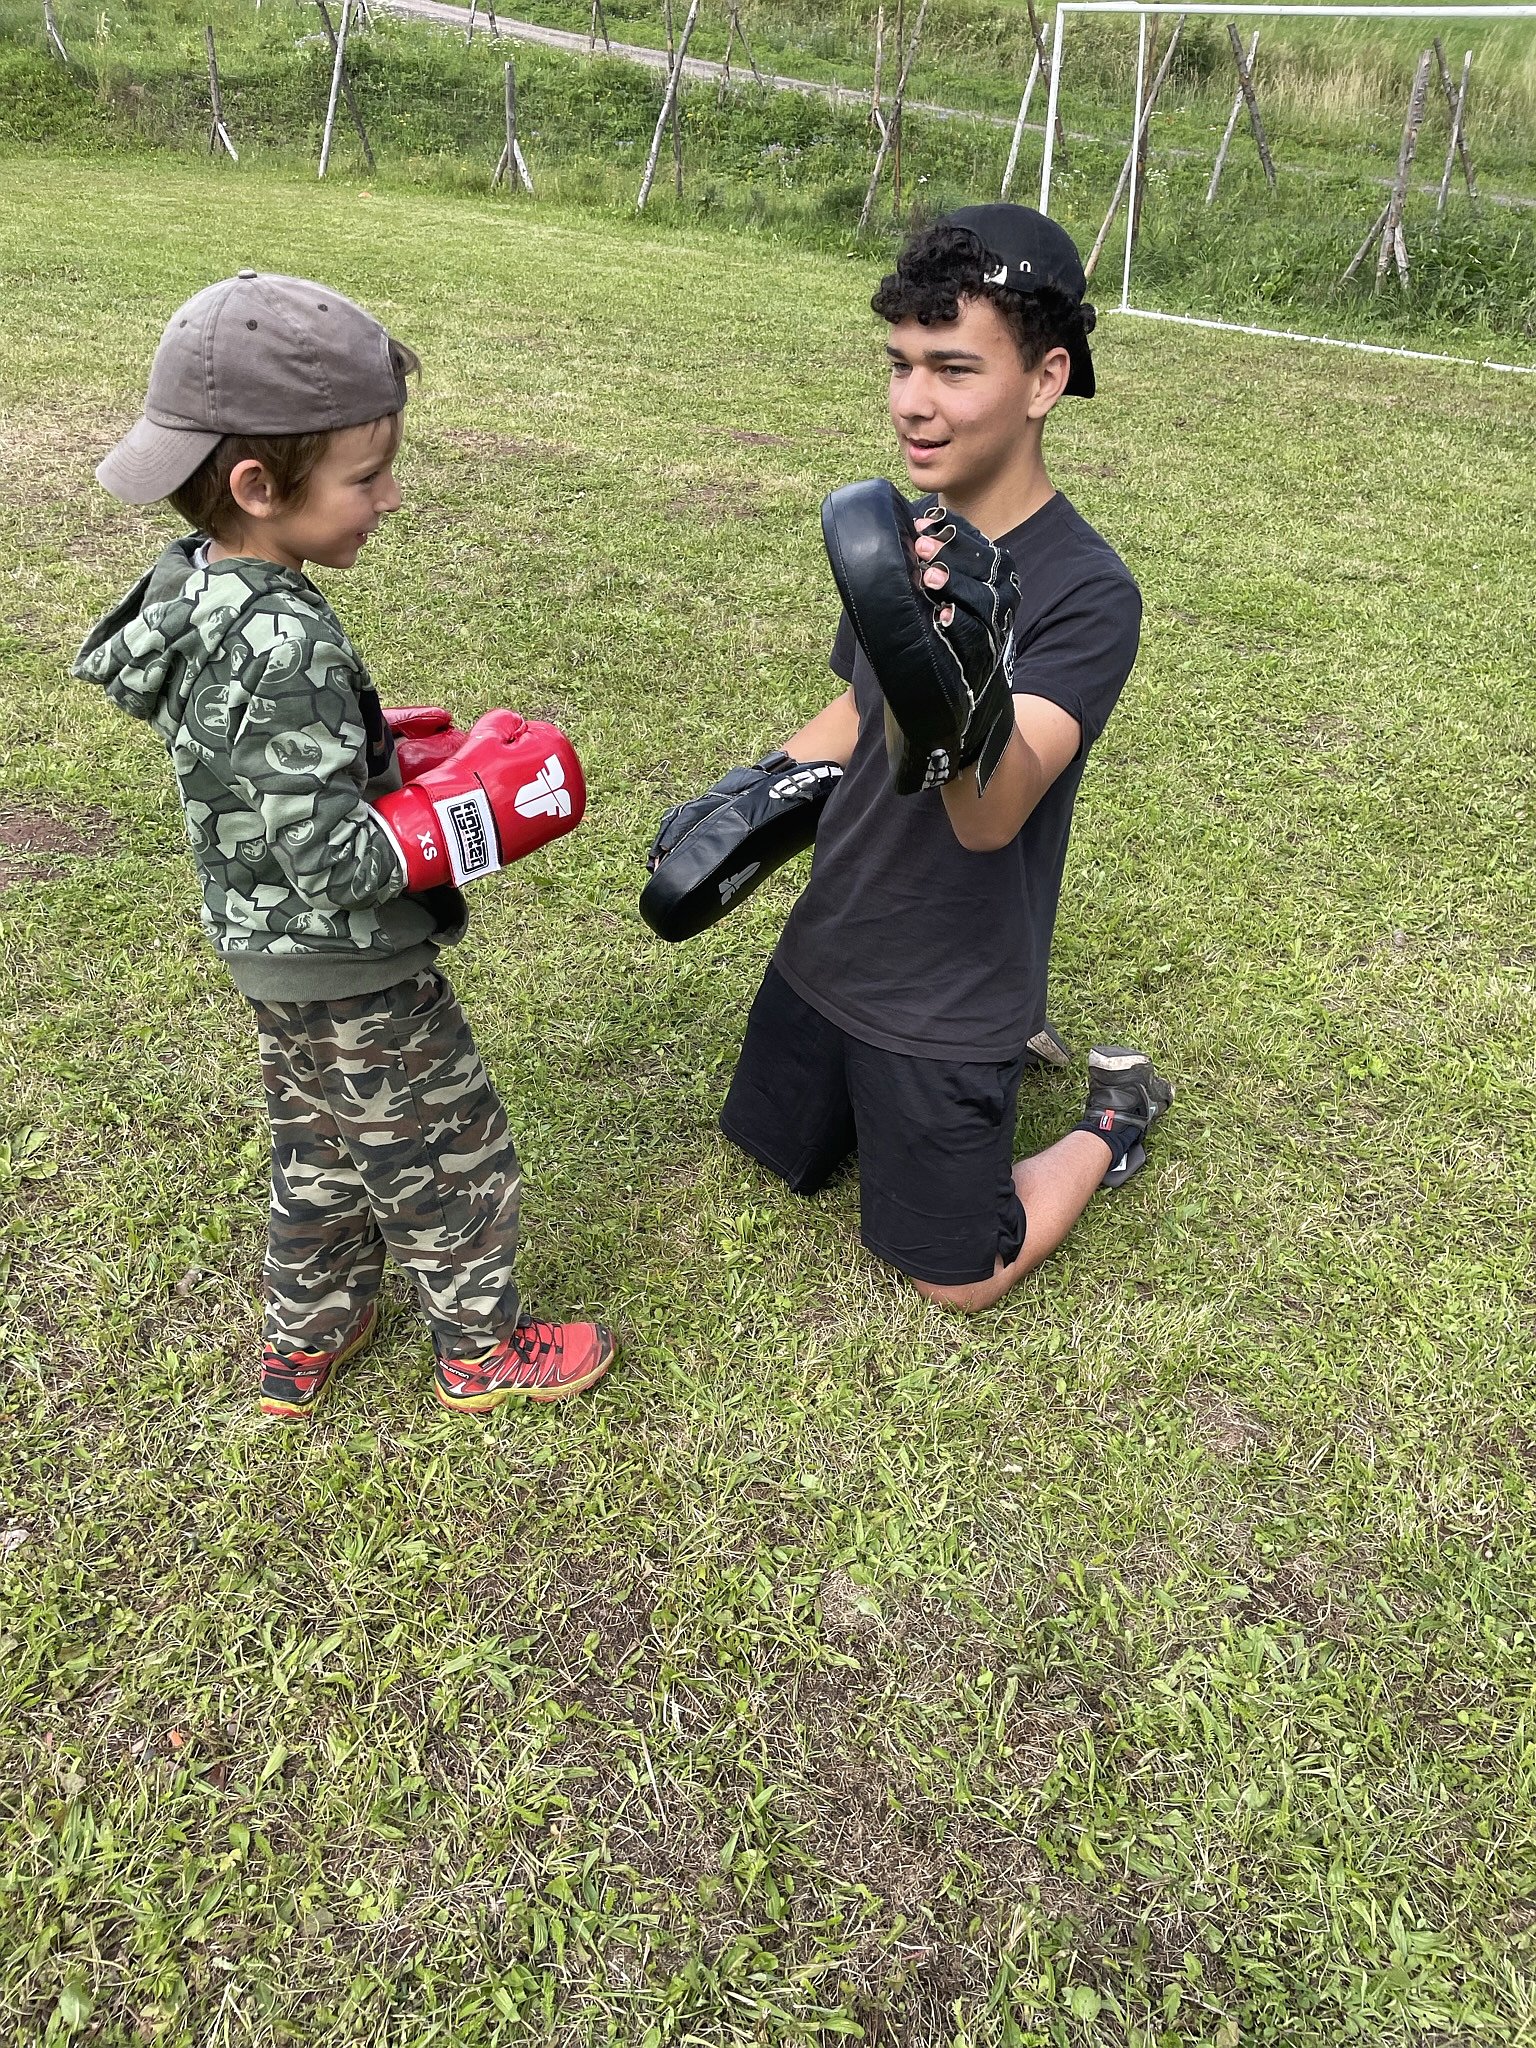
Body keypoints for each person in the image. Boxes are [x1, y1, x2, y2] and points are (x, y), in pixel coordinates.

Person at [73, 271, 615, 1415]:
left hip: (263, 950)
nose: (390, 497)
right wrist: (468, 814)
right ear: (257, 485)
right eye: (366, 476)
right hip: (351, 962)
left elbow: (253, 760)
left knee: (320, 1148)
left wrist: (373, 753)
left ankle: (305, 1340)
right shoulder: (288, 640)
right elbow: (333, 860)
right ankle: (482, 1348)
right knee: (447, 1151)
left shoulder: (196, 590)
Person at [686, 205, 1172, 1311]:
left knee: (957, 1275)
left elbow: (991, 815)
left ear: (1045, 381)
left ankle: (1113, 1118)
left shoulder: (1089, 591)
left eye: (954, 369)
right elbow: (857, 707)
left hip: (951, 981)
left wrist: (960, 677)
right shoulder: (906, 533)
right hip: (837, 934)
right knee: (768, 1147)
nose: (913, 401)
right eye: (901, 364)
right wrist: (747, 795)